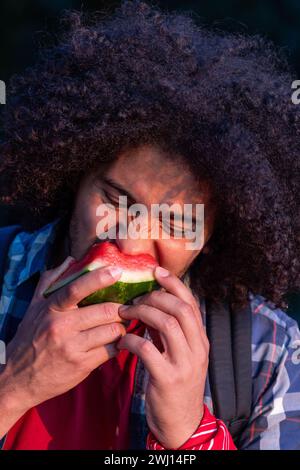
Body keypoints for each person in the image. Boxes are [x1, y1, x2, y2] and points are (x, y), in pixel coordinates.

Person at [0, 0, 299, 450]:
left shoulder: (271, 351)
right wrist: (16, 385)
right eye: (116, 199)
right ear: (73, 174)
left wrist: (188, 432)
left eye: (177, 221)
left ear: (216, 231)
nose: (129, 239)